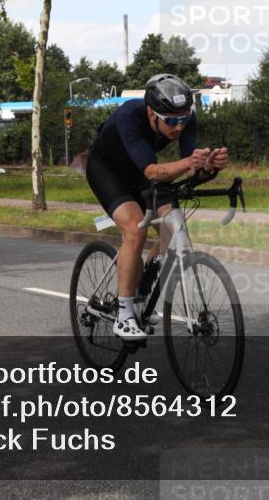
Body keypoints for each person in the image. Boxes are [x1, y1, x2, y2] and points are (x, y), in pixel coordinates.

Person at [85, 73, 229, 340]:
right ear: (151, 113)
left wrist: (207, 165)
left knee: (173, 229)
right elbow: (153, 171)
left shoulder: (184, 118)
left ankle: (142, 292)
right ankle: (124, 314)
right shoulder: (130, 116)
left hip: (143, 171)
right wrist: (190, 163)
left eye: (184, 119)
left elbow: (188, 164)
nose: (178, 127)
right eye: (171, 121)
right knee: (135, 229)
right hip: (108, 170)